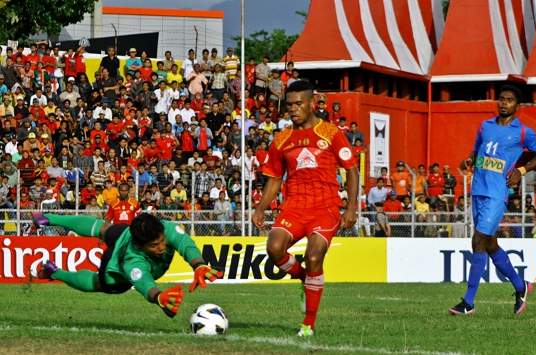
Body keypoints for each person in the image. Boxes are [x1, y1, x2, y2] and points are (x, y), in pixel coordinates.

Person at [252, 80, 358, 336]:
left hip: (325, 207)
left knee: (313, 256)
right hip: (295, 206)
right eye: (289, 105)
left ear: (312, 103)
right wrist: (260, 207)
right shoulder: (282, 139)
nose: (294, 109)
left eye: (299, 103)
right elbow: (275, 178)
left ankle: (308, 324)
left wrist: (351, 208)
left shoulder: (331, 133)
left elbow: (351, 171)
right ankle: (303, 277)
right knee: (274, 249)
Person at [449, 85, 536, 316]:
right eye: (501, 99)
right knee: (490, 244)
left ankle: (468, 302)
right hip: (478, 190)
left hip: (496, 193)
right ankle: (520, 286)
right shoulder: (485, 126)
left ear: (517, 106)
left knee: (478, 241)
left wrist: (521, 171)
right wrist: (469, 160)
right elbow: (476, 151)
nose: (504, 103)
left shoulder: (523, 132)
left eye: (509, 100)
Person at [33, 212, 222, 318]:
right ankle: (55, 272)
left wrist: (198, 265)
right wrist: (158, 297)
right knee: (100, 283)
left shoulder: (164, 228)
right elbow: (143, 282)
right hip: (117, 265)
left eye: (162, 241)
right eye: (154, 246)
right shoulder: (132, 261)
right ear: (141, 245)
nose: (162, 248)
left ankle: (48, 218)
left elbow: (185, 244)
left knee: (104, 228)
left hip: (125, 233)